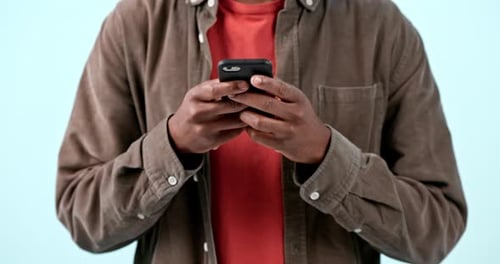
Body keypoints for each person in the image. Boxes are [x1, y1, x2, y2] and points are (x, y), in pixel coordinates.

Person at [55, 0, 467, 263]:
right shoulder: (135, 24)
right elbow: (84, 218)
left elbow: (436, 230)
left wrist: (325, 156)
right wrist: (174, 146)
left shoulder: (381, 27)